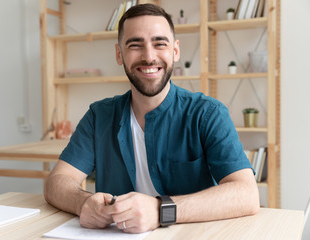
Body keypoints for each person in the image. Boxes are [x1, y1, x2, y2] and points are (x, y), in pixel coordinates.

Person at [44, 3, 259, 234]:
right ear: (119, 54)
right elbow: (57, 182)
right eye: (135, 45)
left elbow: (246, 194)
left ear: (175, 51)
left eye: (160, 44)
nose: (148, 56)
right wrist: (83, 202)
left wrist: (160, 210)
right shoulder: (99, 116)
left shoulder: (208, 113)